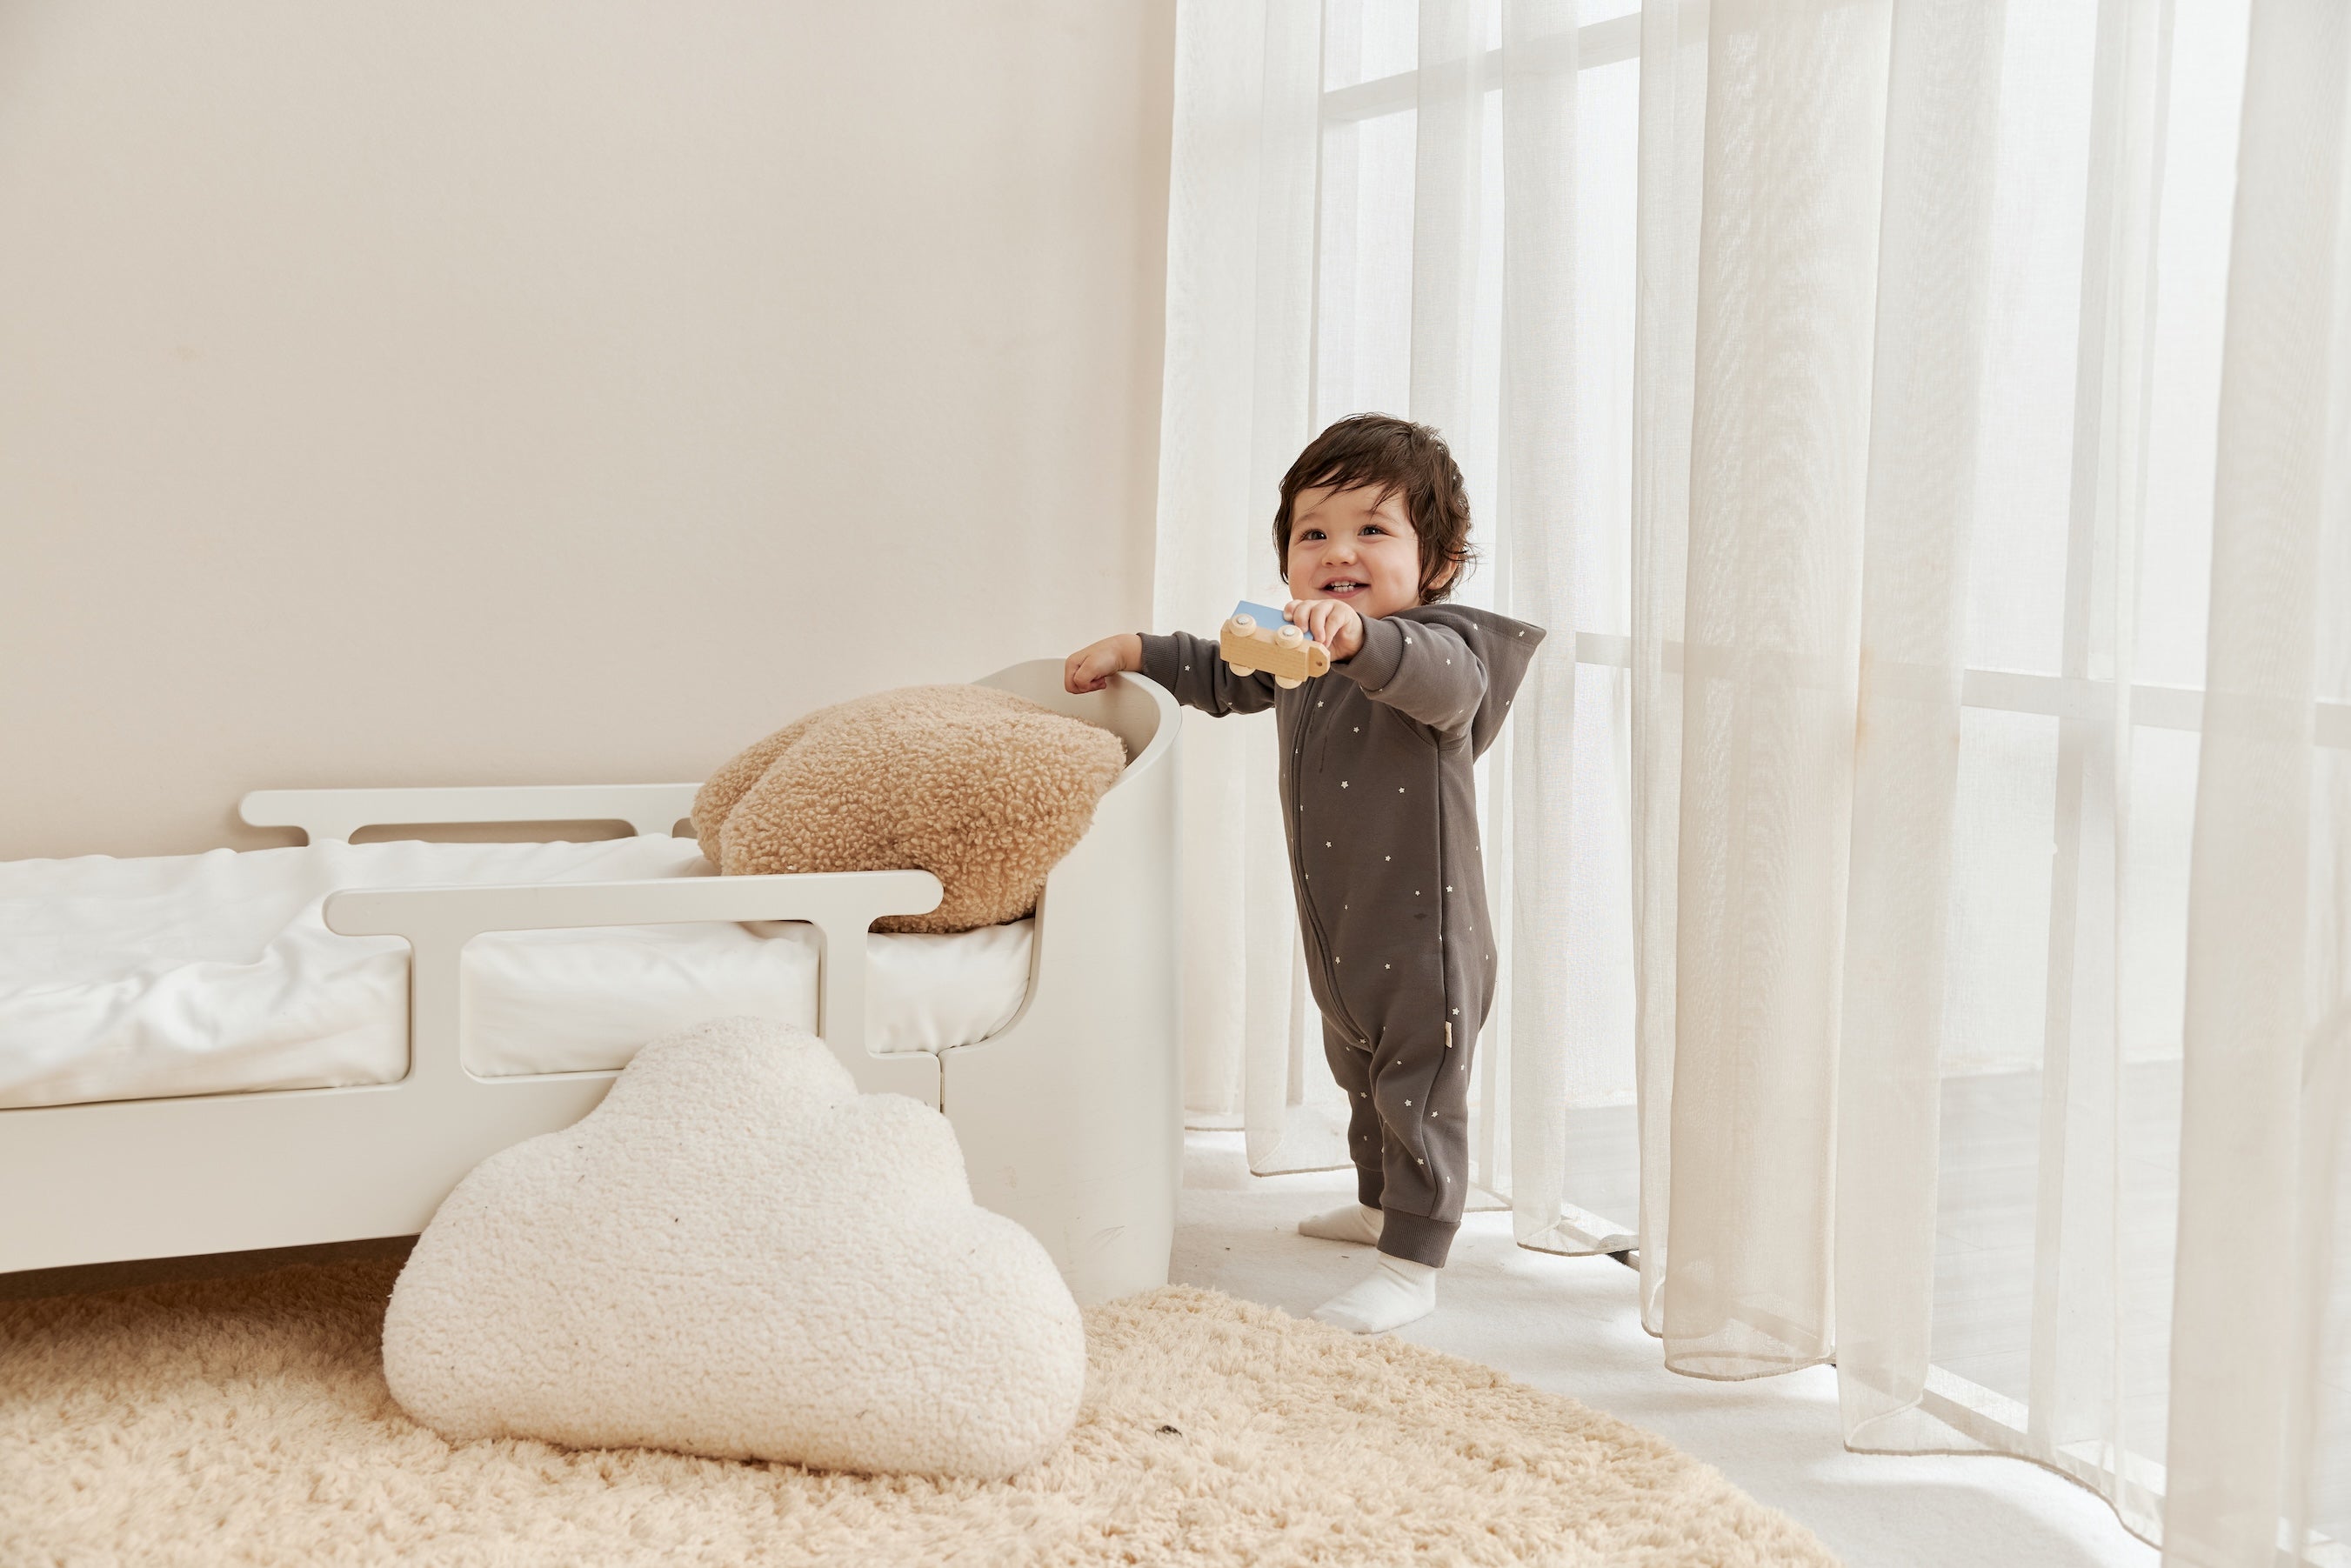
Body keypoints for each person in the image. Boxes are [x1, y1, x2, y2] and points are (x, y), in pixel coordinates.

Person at [1065, 413, 1544, 1333]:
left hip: (1424, 936)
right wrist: (1135, 651)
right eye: (1312, 534)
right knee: (1356, 1068)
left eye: (1374, 530)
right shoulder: (1306, 646)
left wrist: (1364, 643)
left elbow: (1447, 686)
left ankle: (1415, 1259)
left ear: (1436, 563)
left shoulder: (1440, 646)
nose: (1339, 553)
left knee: (1419, 1086)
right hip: (1341, 926)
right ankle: (1376, 1203)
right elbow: (1222, 672)